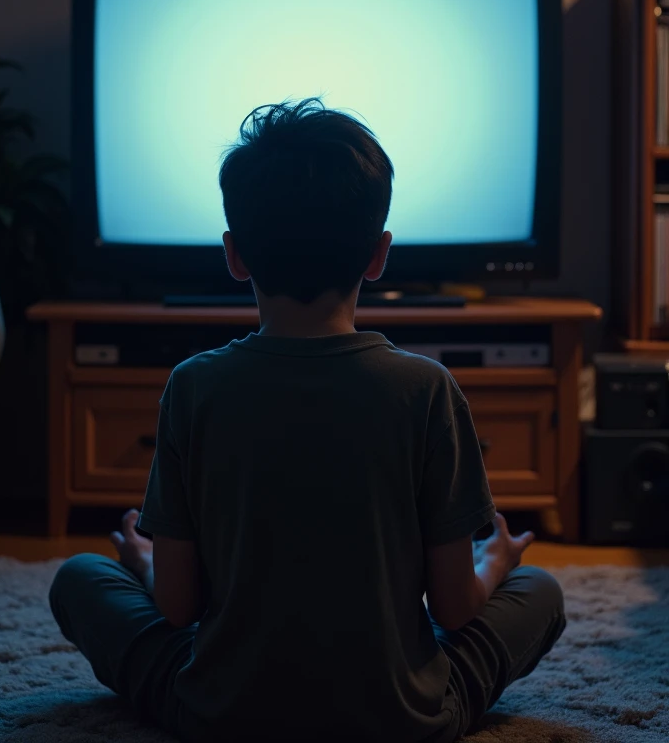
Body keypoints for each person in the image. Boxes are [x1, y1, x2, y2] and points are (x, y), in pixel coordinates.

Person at [49, 98, 565, 743]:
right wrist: (496, 561)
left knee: (79, 576)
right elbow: (458, 608)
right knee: (539, 589)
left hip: (219, 713)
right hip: (404, 718)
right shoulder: (426, 388)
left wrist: (146, 559)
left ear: (235, 255)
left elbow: (177, 608)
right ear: (379, 255)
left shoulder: (194, 385)